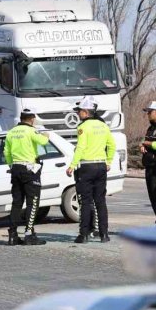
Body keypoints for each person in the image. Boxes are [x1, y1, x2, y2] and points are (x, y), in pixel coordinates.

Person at [67, 96, 115, 244]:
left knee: (86, 202)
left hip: (86, 167)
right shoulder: (104, 126)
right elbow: (112, 145)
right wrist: (108, 161)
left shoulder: (83, 127)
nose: (78, 114)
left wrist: (72, 165)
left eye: (79, 111)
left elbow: (80, 147)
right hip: (101, 166)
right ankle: (104, 234)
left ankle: (84, 234)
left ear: (86, 112)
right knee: (100, 201)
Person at [4, 107, 51, 246]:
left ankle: (12, 235)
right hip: (30, 170)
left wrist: (11, 166)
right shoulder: (31, 131)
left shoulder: (11, 132)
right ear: (32, 119)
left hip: (16, 168)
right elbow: (43, 142)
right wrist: (47, 136)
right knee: (33, 202)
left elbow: (6, 152)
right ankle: (29, 234)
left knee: (17, 203)